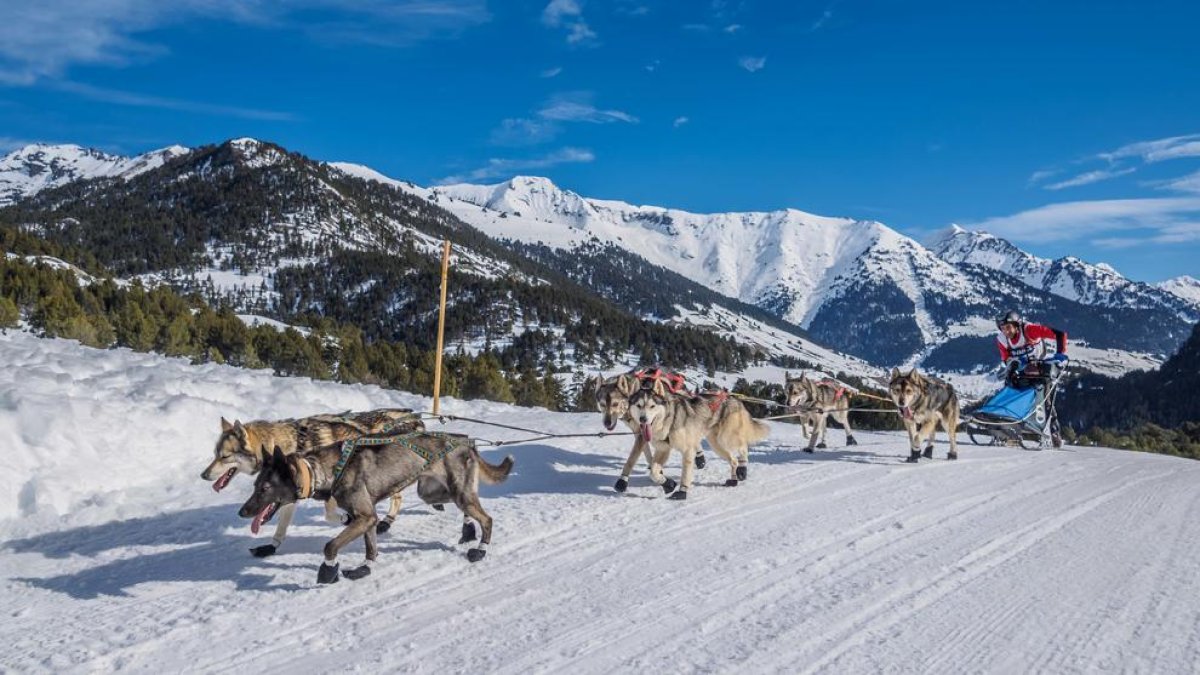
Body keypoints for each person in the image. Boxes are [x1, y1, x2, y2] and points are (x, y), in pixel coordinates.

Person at [995, 309, 1067, 447]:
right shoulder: (1002, 340)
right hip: (1022, 370)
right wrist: (1013, 364)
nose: (1006, 332)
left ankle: (1054, 433)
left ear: (1016, 325)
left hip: (1040, 369)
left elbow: (1060, 334)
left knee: (1044, 400)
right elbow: (1006, 358)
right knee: (1010, 394)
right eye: (1003, 328)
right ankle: (1005, 428)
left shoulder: (1029, 330)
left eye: (1008, 327)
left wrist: (1060, 355)